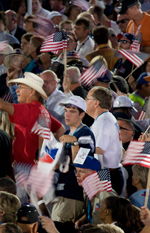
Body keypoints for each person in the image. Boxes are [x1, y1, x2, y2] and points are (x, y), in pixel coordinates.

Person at [0, 72, 65, 165]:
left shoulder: (29, 109)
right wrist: (45, 154)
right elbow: (60, 130)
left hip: (27, 167)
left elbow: (1, 105)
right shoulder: (42, 110)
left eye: (21, 87)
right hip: (33, 167)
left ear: (32, 91)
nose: (17, 90)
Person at [52, 96, 96, 224]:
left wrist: (74, 143)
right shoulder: (68, 132)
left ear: (82, 114)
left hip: (72, 192)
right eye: (66, 110)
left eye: (72, 111)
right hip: (62, 190)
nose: (67, 114)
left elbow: (80, 163)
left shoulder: (85, 133)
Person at [85, 86, 123, 195]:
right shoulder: (107, 117)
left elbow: (98, 153)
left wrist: (101, 182)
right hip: (112, 174)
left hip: (107, 176)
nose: (85, 101)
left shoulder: (103, 122)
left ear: (96, 103)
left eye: (87, 99)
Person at [73, 156, 117, 226]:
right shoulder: (86, 191)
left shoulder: (106, 193)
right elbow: (92, 212)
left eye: (81, 171)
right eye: (76, 171)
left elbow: (115, 222)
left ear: (93, 173)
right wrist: (82, 219)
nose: (77, 175)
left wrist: (94, 226)